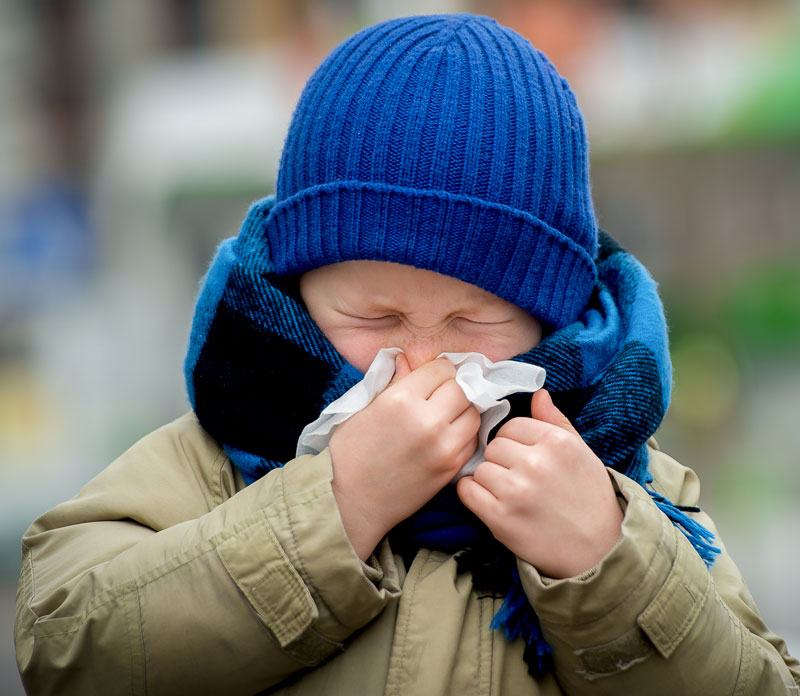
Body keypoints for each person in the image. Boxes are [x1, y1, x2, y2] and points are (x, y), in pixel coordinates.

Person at [14, 13, 800, 695]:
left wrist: (606, 562)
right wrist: (336, 507)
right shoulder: (219, 453)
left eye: (474, 320)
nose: (423, 361)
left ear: (548, 323)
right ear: (298, 292)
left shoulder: (622, 478)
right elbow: (67, 646)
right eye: (376, 313)